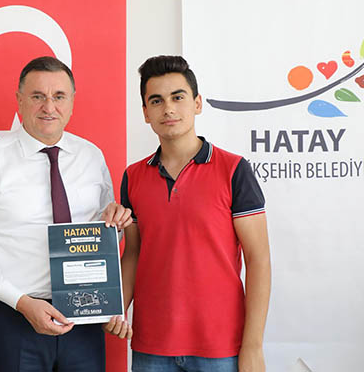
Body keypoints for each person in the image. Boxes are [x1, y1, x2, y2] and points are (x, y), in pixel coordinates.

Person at [0, 56, 132, 372]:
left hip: (84, 316)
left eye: (59, 96)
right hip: (16, 318)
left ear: (72, 102)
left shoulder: (91, 157)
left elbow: (103, 237)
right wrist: (21, 302)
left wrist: (115, 225)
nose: (49, 107)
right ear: (19, 101)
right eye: (37, 96)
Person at [112, 55, 271, 372]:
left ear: (197, 103)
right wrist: (116, 308)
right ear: (145, 113)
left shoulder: (233, 170)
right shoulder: (133, 176)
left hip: (221, 346)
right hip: (151, 345)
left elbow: (259, 260)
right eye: (156, 100)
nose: (168, 109)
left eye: (178, 97)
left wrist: (253, 347)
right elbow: (133, 253)